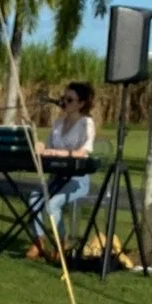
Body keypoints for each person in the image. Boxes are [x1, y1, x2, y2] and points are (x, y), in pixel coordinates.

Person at [27, 81, 97, 259]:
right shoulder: (58, 123)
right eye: (63, 98)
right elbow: (49, 148)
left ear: (81, 104)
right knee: (34, 198)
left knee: (52, 204)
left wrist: (59, 152)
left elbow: (84, 151)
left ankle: (61, 243)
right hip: (56, 177)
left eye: (69, 99)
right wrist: (40, 146)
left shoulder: (86, 123)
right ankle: (38, 241)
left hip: (77, 180)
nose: (64, 102)